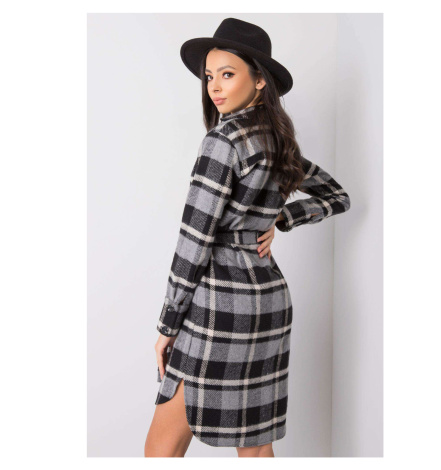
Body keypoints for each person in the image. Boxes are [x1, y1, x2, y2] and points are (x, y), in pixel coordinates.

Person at [144, 18, 351, 458]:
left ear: (260, 80)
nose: (215, 87)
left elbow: (193, 241)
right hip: (269, 305)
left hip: (219, 308)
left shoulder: (223, 141)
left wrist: (167, 324)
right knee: (255, 450)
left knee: (161, 450)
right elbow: (338, 196)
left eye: (228, 73)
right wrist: (281, 217)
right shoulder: (277, 142)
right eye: (209, 76)